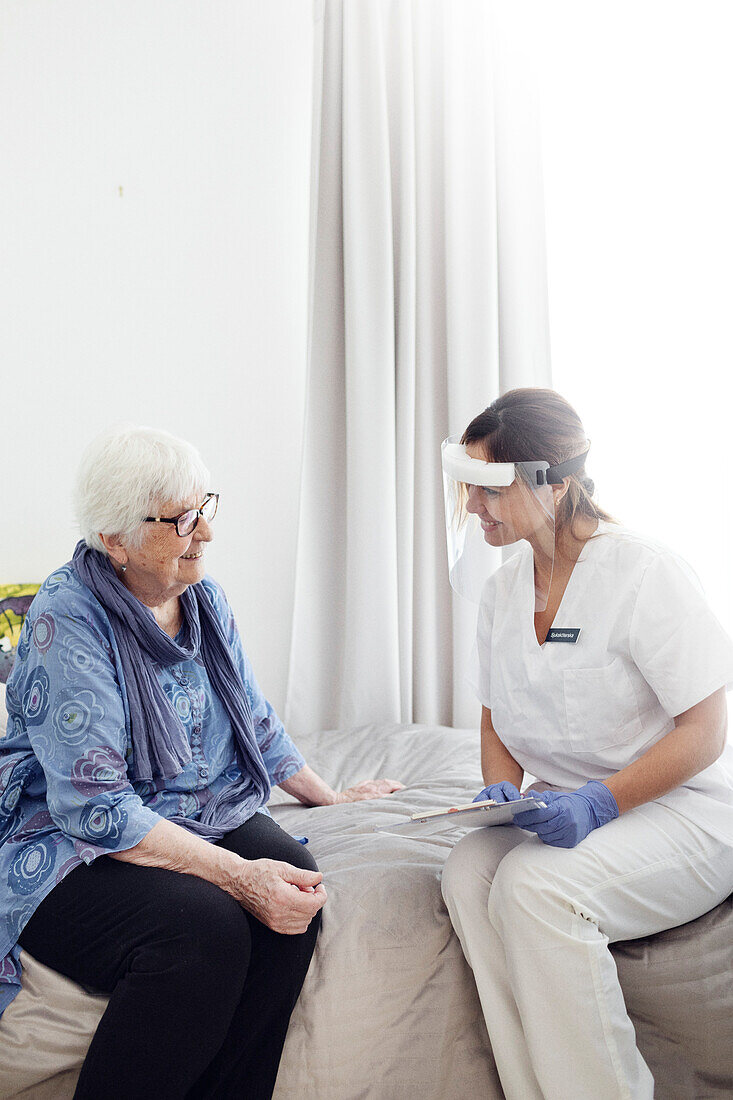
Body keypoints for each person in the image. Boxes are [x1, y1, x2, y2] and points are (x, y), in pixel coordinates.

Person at [0, 425, 403, 1100]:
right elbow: (96, 806)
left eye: (203, 508)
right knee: (204, 926)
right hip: (65, 832)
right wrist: (240, 877)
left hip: (194, 805)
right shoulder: (65, 619)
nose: (205, 533)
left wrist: (327, 796)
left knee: (297, 887)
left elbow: (253, 717)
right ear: (115, 537)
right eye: (183, 519)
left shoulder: (203, 601)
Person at [439, 388, 733, 1100]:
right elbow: (493, 717)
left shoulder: (643, 572)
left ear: (555, 482)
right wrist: (498, 790)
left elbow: (705, 730)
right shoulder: (503, 589)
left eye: (488, 491)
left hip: (685, 807)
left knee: (535, 887)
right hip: (577, 804)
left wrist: (600, 802)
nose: (474, 509)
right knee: (467, 870)